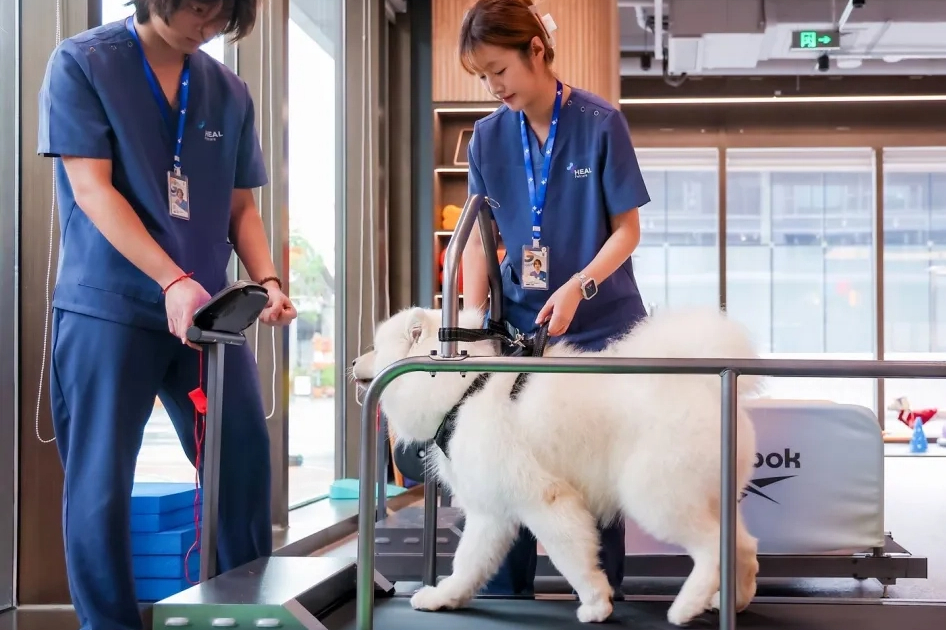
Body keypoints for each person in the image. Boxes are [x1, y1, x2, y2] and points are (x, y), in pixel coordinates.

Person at [36, 1, 296, 628]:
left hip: (207, 316)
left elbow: (241, 210)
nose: (209, 22)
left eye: (223, 12)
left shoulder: (228, 91)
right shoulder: (83, 63)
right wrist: (169, 277)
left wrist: (267, 280)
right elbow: (92, 188)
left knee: (241, 462)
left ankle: (246, 615)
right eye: (200, 5)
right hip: (109, 306)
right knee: (99, 488)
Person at [458, 0, 651, 599]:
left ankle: (600, 596)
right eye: (483, 76)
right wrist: (471, 320)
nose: (493, 87)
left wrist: (579, 285)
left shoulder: (600, 122)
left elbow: (627, 231)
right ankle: (505, 598)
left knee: (593, 473)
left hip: (599, 327)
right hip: (521, 329)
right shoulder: (487, 139)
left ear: (536, 50)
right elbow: (478, 238)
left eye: (499, 70)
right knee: (508, 467)